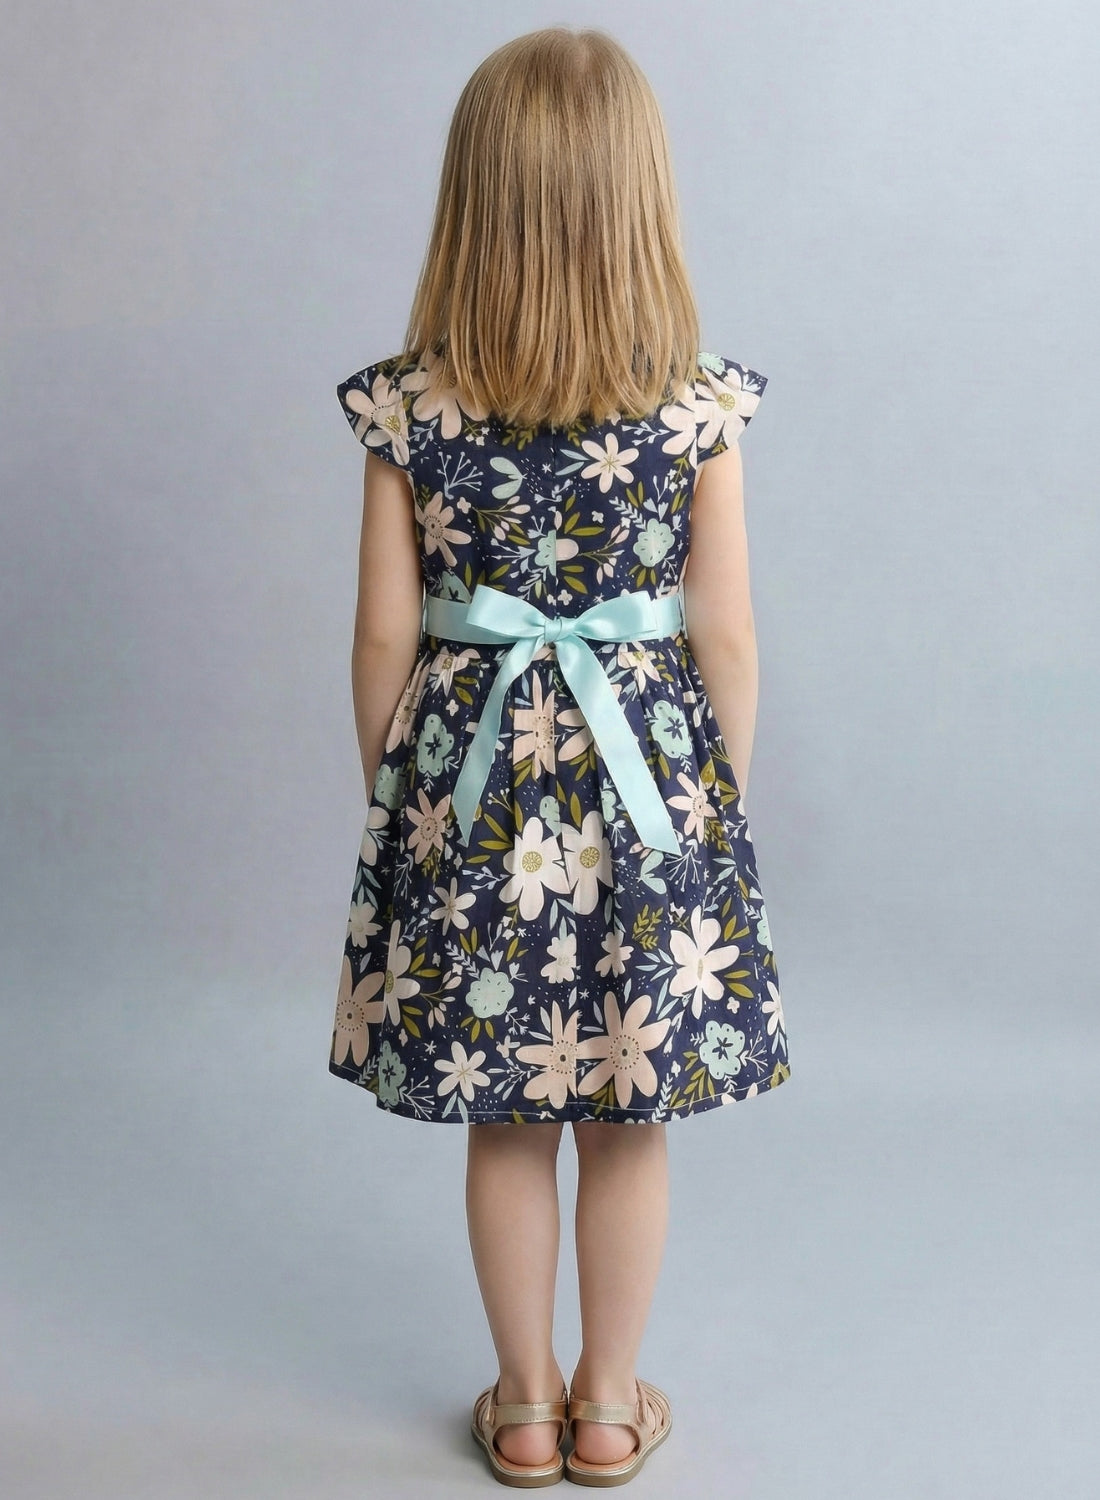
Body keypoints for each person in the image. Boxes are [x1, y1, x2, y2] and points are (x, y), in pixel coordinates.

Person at [328, 24, 791, 1489]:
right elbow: (726, 638)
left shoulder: (409, 407)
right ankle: (606, 1406)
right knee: (627, 1115)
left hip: (476, 798)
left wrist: (402, 809)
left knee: (509, 1109)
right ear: (640, 199)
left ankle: (522, 1406)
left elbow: (381, 640)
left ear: (475, 200)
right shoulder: (697, 406)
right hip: (648, 799)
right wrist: (716, 809)